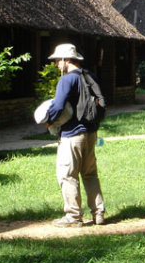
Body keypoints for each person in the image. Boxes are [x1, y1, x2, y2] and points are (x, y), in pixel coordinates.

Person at [44, 43, 105, 227]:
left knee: (67, 174)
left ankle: (73, 217)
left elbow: (58, 105)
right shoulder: (90, 76)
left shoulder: (67, 80)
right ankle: (98, 213)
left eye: (57, 60)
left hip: (72, 135)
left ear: (66, 60)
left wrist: (48, 120)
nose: (56, 64)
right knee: (90, 174)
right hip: (91, 133)